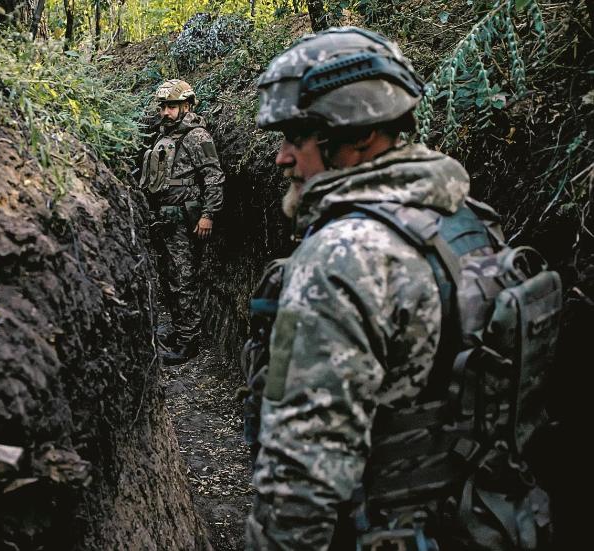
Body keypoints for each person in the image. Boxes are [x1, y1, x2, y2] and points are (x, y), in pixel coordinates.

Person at [245, 27, 555, 550]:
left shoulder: (343, 256)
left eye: (297, 137)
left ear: (361, 135)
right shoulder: (464, 220)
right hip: (487, 522)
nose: (282, 157)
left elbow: (300, 479)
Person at [139, 79, 224, 365]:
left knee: (183, 279)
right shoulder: (166, 133)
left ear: (187, 105)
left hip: (184, 219)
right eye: (163, 106)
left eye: (172, 106)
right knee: (170, 277)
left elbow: (214, 177)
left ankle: (189, 341)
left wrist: (208, 215)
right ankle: (179, 328)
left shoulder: (197, 136)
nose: (165, 111)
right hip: (166, 218)